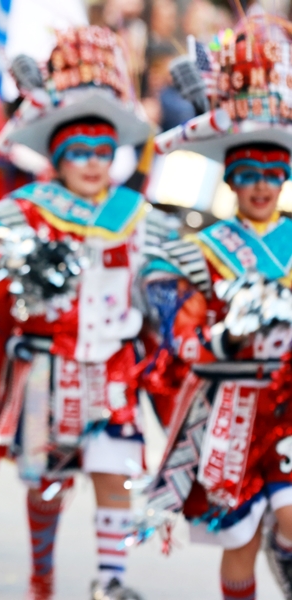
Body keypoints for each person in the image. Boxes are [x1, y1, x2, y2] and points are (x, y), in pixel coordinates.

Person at [0, 26, 152, 600]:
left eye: (102, 153)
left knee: (113, 468)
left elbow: (161, 281)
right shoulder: (26, 209)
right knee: (46, 483)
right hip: (47, 368)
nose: (93, 165)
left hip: (113, 363)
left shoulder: (136, 211)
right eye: (79, 154)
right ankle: (42, 576)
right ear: (58, 159)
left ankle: (111, 580)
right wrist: (4, 276)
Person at [139, 23, 292, 600]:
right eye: (248, 176)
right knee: (240, 539)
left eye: (271, 176)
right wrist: (207, 339)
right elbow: (179, 319)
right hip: (233, 401)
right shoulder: (202, 245)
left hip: (290, 397)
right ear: (231, 181)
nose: (260, 187)